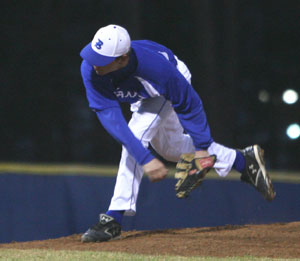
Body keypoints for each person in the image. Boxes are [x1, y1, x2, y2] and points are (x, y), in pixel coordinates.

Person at [79, 24, 275, 243]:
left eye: (103, 59)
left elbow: (190, 105)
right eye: (93, 54)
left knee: (137, 135)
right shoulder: (90, 68)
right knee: (170, 149)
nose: (95, 62)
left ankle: (113, 218)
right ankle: (243, 161)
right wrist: (146, 158)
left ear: (122, 59)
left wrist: (201, 149)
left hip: (167, 83)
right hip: (144, 95)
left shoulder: (157, 70)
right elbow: (110, 117)